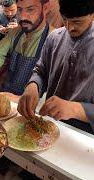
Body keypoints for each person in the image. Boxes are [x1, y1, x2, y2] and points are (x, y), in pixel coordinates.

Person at [18, 0, 94, 134]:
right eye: (65, 19)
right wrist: (33, 85)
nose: (69, 27)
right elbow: (41, 71)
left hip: (85, 137)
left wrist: (77, 109)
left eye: (77, 22)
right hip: (50, 125)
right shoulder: (54, 38)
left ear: (92, 15)